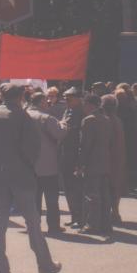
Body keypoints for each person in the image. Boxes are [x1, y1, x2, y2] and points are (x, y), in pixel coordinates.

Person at [0, 83, 61, 273]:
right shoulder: (23, 116)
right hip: (21, 176)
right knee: (32, 223)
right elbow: (33, 147)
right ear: (21, 96)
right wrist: (26, 165)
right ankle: (45, 265)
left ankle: (2, 272)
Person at [27, 92, 67, 234]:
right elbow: (60, 133)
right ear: (42, 102)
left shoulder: (23, 116)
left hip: (28, 165)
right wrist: (63, 123)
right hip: (47, 164)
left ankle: (33, 226)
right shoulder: (46, 118)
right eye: (46, 101)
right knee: (51, 199)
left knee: (33, 199)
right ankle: (53, 226)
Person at [78, 94, 113, 236]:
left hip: (92, 162)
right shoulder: (106, 119)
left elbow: (85, 145)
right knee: (104, 195)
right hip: (104, 161)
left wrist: (80, 164)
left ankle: (92, 225)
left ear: (89, 105)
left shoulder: (89, 120)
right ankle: (105, 224)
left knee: (92, 195)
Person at [59, 87, 84, 228]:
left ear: (77, 98)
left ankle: (80, 218)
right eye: (65, 98)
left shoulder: (81, 112)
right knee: (68, 188)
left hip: (74, 154)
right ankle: (74, 216)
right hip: (65, 152)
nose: (66, 100)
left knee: (76, 189)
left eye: (69, 98)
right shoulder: (68, 110)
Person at [102, 94, 127, 225]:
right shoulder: (117, 120)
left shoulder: (106, 120)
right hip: (118, 157)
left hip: (108, 158)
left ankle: (110, 213)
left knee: (107, 186)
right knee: (115, 186)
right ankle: (115, 212)